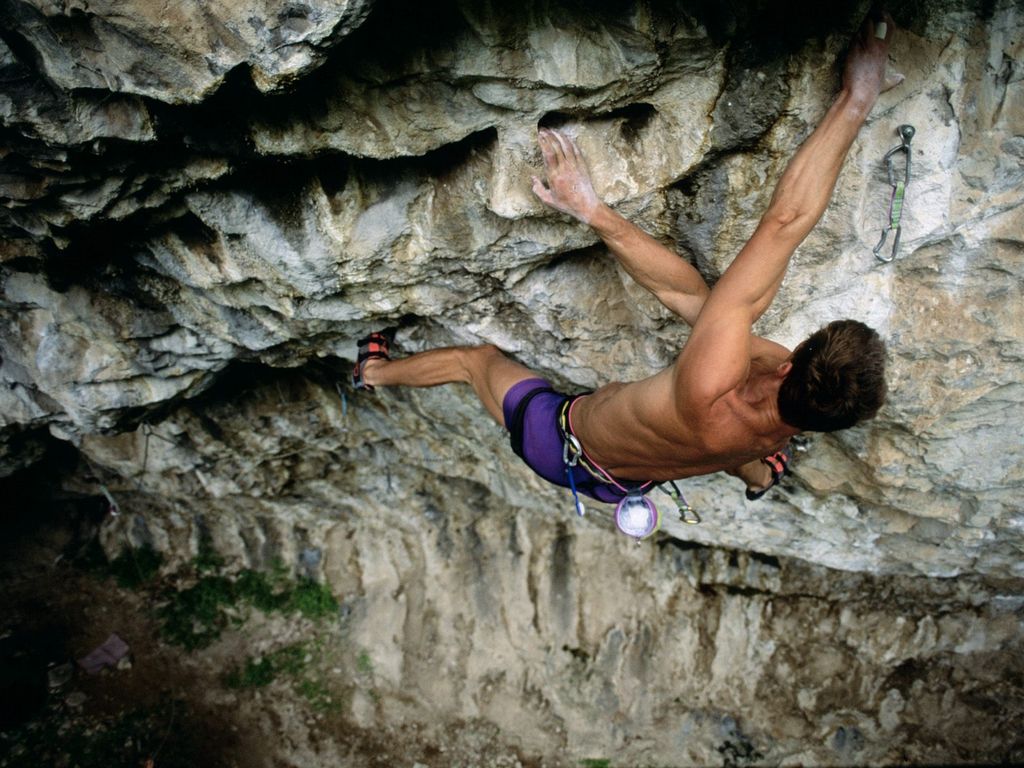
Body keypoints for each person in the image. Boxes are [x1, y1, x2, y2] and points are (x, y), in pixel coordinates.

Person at [352, 13, 899, 512]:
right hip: (632, 483)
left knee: (477, 360)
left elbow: (784, 224)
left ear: (791, 364)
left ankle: (372, 373)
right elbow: (694, 303)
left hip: (561, 446)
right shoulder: (796, 416)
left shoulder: (723, 380)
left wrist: (857, 97)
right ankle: (757, 474)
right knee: (740, 433)